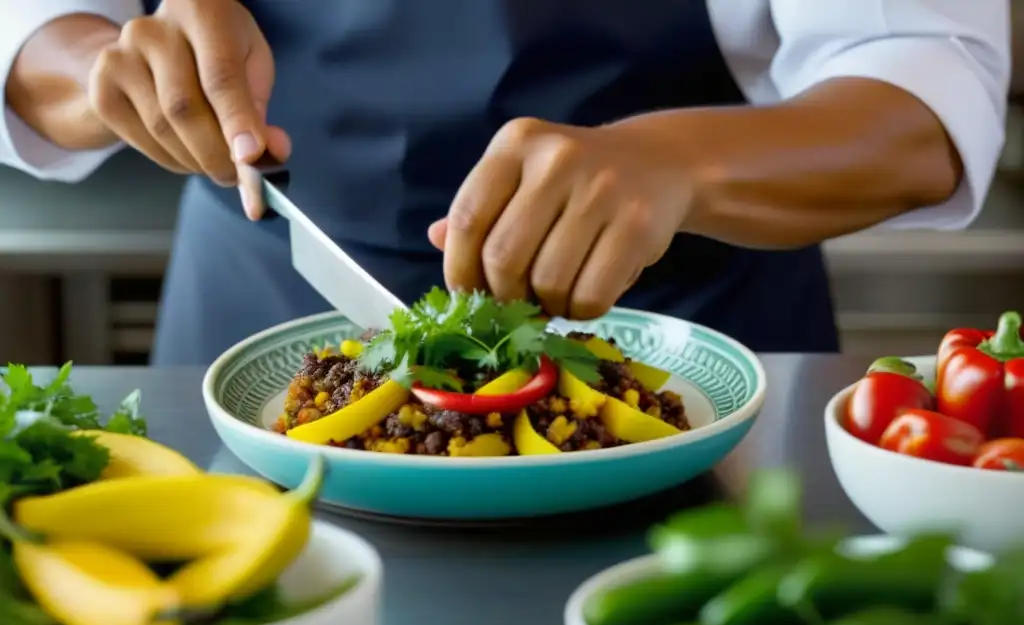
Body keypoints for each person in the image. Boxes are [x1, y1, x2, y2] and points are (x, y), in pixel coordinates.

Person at [0, 1, 1009, 366]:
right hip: (263, 303)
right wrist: (108, 71)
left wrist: (681, 162)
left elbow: (924, 85)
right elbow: (29, 27)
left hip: (680, 345)